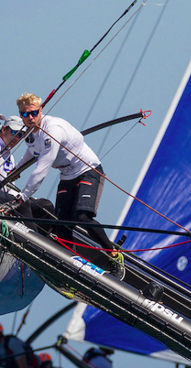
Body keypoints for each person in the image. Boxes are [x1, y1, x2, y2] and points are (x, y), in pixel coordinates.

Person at [12, 93, 124, 277]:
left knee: (82, 217)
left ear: (41, 110)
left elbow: (41, 169)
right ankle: (68, 265)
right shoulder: (30, 133)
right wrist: (14, 171)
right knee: (63, 224)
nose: (29, 118)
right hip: (67, 175)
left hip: (89, 170)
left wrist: (22, 196)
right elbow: (31, 153)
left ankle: (113, 254)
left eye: (33, 113)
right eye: (25, 114)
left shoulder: (53, 131)